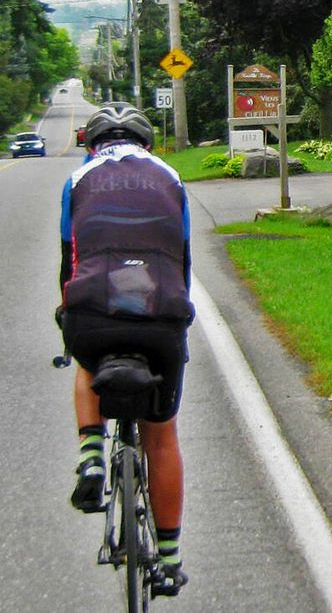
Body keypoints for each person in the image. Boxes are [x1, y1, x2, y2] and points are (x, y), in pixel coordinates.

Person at [58, 102, 192, 596]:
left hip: (95, 312)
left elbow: (70, 260)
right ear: (146, 141)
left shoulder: (78, 179)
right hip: (161, 315)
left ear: (93, 143)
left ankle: (92, 455)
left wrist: (66, 318)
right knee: (162, 435)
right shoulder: (171, 177)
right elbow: (183, 260)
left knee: (85, 359)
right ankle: (170, 560)